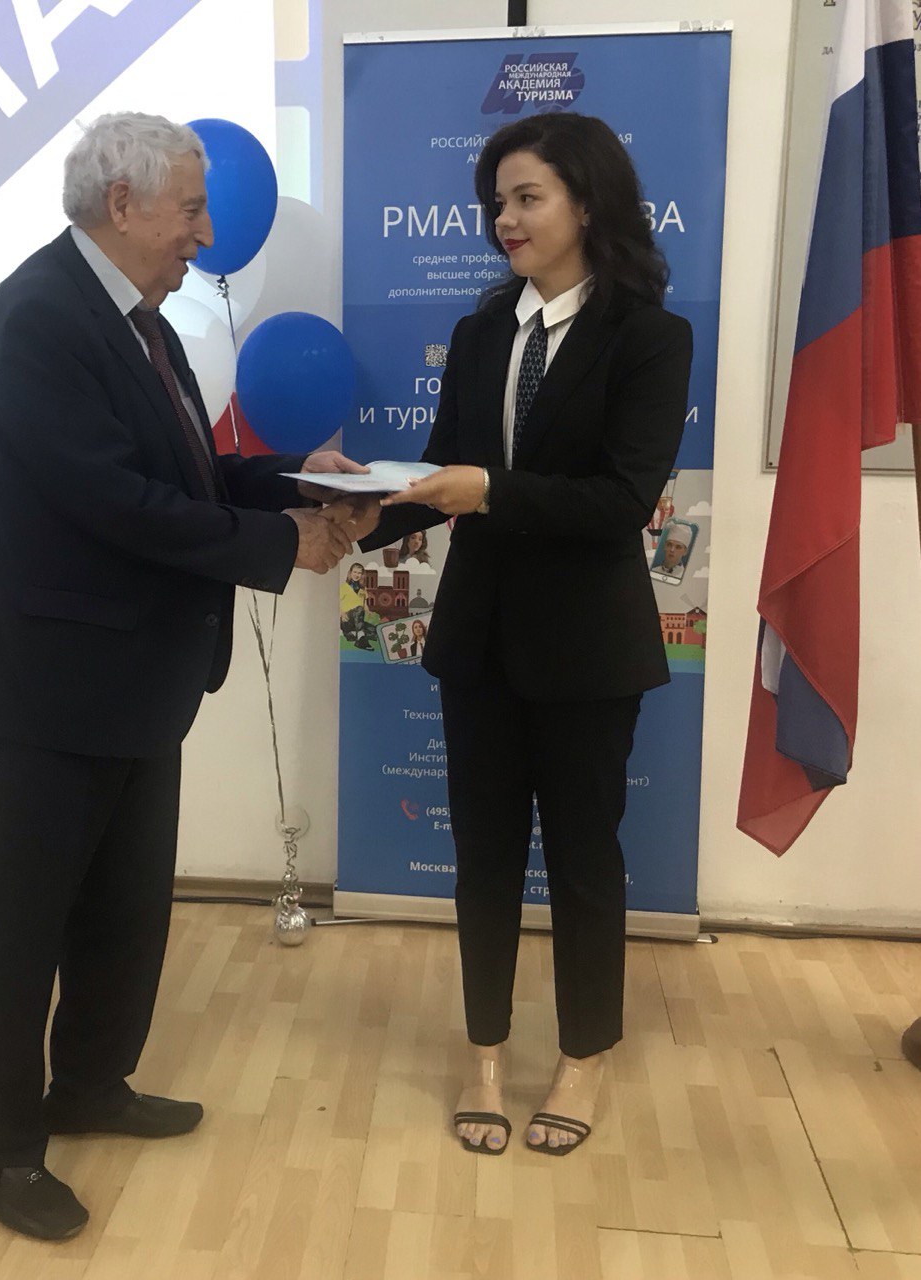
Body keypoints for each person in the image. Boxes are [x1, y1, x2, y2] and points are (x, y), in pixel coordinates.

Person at [0, 112, 363, 1240]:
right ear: (121, 205)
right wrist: (282, 547)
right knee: (24, 920)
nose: (205, 234)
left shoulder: (138, 321)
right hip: (46, 681)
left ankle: (89, 1085)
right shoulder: (38, 317)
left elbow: (185, 473)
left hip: (131, 674)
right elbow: (114, 503)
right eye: (191, 209)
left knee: (125, 905)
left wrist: (294, 480)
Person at [363, 112, 693, 1157]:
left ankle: (584, 1054)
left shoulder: (650, 337)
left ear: (585, 203)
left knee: (586, 859)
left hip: (589, 650)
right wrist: (350, 503)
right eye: (495, 202)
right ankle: (485, 1053)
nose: (503, 218)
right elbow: (439, 474)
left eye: (525, 198)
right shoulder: (478, 334)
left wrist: (491, 491)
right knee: (483, 858)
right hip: (480, 645)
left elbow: (620, 499)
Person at [340, 561, 374, 649]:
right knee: (359, 609)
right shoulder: (344, 587)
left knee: (374, 631)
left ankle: (352, 635)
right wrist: (342, 613)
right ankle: (360, 640)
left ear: (362, 575)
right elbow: (335, 602)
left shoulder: (363, 589)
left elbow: (364, 604)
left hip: (358, 620)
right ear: (350, 573)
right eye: (355, 572)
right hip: (347, 619)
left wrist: (368, 612)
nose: (357, 575)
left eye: (359, 573)